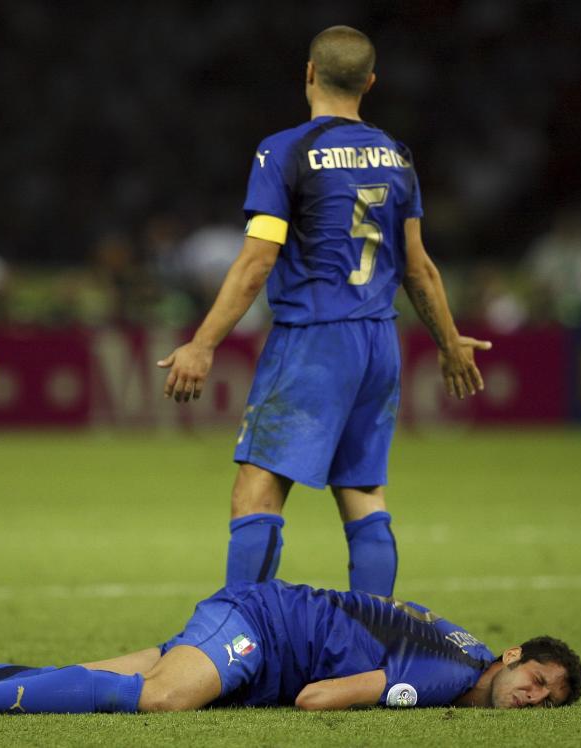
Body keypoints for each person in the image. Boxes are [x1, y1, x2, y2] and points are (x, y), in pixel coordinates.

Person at [157, 26, 492, 597]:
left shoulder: (284, 150)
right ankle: (373, 637)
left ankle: (239, 632)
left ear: (309, 73)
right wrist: (449, 340)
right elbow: (418, 267)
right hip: (378, 342)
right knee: (362, 492)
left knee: (256, 489)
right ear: (370, 82)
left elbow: (257, 262)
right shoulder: (396, 154)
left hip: (314, 339)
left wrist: (203, 343)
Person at [0, 578, 581, 716]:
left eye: (550, 699)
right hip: (264, 625)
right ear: (512, 655)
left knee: (96, 677)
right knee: (163, 697)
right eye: (540, 677)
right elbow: (318, 698)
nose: (536, 697)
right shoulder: (451, 675)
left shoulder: (466, 648)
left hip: (270, 630)